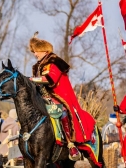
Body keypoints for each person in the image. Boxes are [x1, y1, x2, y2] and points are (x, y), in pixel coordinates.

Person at [28, 33, 96, 161]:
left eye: (36, 51)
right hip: (43, 96)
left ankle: (70, 144)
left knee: (61, 112)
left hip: (58, 96)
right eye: (34, 52)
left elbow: (50, 79)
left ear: (44, 50)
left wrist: (31, 79)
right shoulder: (38, 65)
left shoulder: (54, 62)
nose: (35, 54)